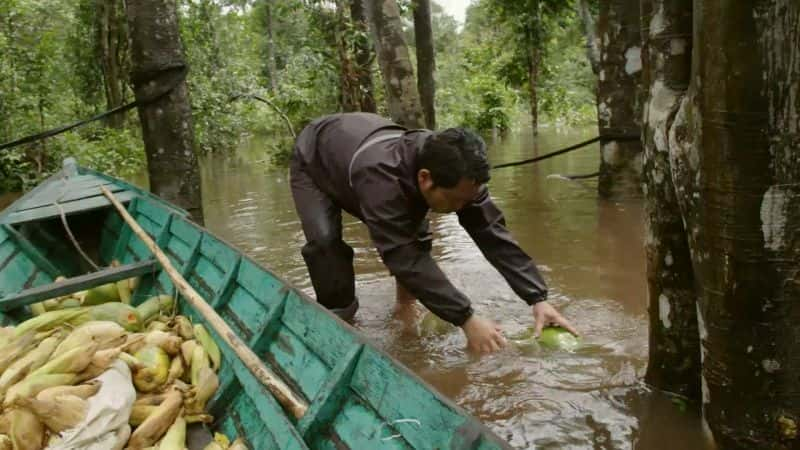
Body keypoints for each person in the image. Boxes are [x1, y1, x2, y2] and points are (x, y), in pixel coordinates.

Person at [289, 112, 578, 354]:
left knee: (418, 234)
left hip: (362, 146)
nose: (460, 209)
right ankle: (341, 320)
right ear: (425, 179)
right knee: (325, 244)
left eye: (468, 200)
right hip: (315, 157)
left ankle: (405, 304)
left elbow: (493, 234)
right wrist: (467, 318)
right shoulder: (382, 180)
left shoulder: (460, 174)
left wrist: (538, 297)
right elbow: (402, 255)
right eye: (455, 201)